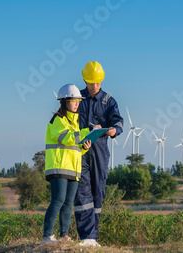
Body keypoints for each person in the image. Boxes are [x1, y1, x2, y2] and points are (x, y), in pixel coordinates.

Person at [74, 61, 124, 247]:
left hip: (100, 151)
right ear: (85, 80)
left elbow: (118, 122)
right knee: (82, 194)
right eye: (91, 82)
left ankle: (93, 238)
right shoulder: (77, 98)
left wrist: (113, 130)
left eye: (98, 82)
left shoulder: (109, 101)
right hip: (80, 151)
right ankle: (86, 236)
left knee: (97, 193)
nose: (95, 86)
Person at [42, 84, 92, 244]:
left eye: (78, 100)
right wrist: (86, 132)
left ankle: (64, 236)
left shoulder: (75, 124)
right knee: (58, 201)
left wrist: (84, 147)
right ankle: (47, 236)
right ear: (64, 101)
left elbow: (74, 147)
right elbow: (67, 138)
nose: (77, 103)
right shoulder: (58, 120)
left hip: (73, 169)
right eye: (73, 100)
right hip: (58, 167)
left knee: (68, 203)